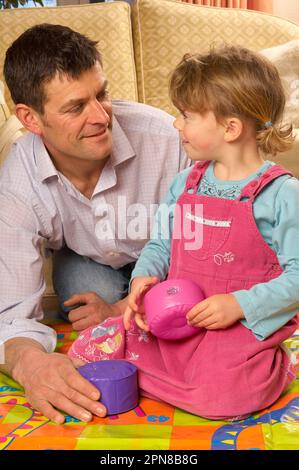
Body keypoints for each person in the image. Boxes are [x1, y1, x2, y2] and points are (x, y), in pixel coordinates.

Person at [69, 45, 299, 420]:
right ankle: (179, 374)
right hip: (180, 320)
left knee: (222, 399)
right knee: (88, 352)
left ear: (230, 128)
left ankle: (270, 370)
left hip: (238, 328)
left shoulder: (281, 195)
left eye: (187, 115)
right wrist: (145, 275)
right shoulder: (185, 184)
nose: (177, 124)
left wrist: (239, 305)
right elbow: (162, 242)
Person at [0, 24, 188, 424]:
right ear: (30, 118)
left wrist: (122, 308)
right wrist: (30, 364)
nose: (101, 117)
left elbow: (207, 248)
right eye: (75, 107)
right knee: (87, 295)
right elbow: (12, 312)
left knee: (174, 311)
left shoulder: (167, 140)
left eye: (101, 94)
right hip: (87, 258)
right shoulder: (18, 180)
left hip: (166, 259)